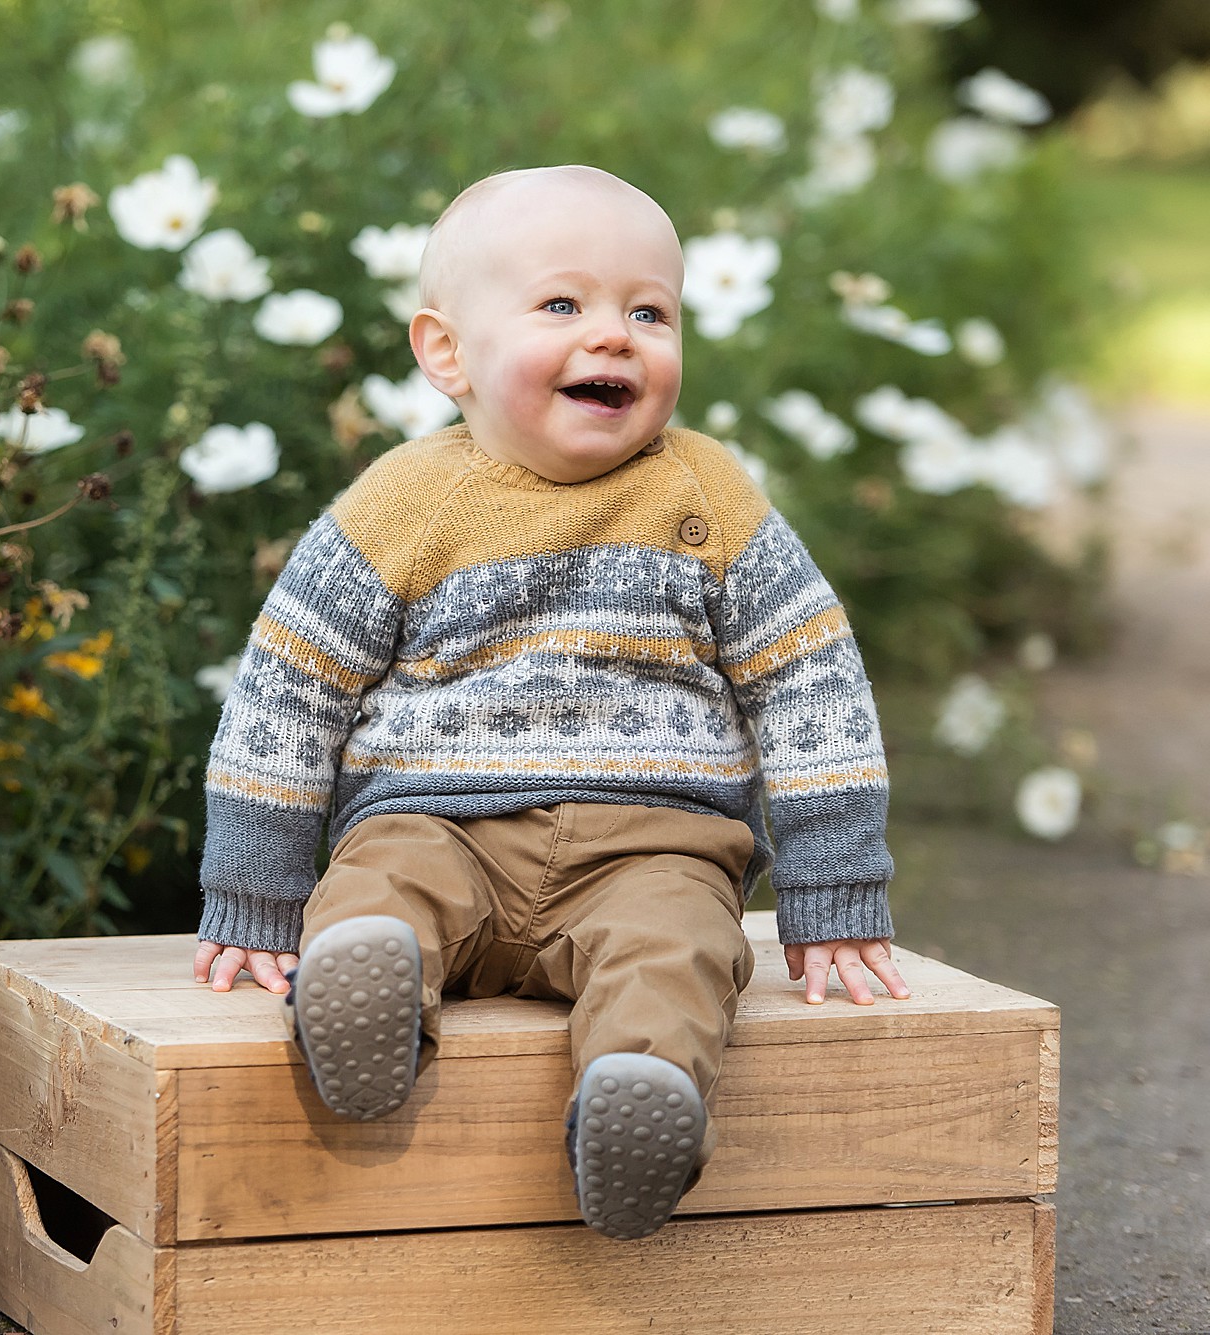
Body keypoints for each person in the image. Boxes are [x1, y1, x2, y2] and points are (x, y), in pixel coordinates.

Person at [189, 164, 913, 1241]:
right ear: (446, 353)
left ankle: (637, 1100)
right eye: (562, 304)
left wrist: (834, 885)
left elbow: (808, 681)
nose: (613, 335)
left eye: (647, 311)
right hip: (433, 823)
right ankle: (361, 997)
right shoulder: (400, 504)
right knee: (380, 889)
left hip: (654, 848)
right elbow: (289, 691)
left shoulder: (706, 494)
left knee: (676, 950)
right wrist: (254, 890)